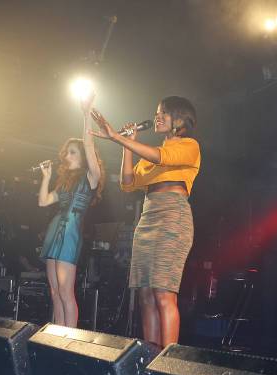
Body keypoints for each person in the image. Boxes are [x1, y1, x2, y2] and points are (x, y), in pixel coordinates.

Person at [89, 96, 200, 347]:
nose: (157, 117)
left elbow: (161, 157)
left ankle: (166, 363)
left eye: (164, 113)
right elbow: (127, 183)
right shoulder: (148, 157)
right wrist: (128, 144)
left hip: (173, 216)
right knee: (145, 295)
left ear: (180, 119)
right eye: (157, 112)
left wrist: (117, 137)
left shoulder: (189, 145)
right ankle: (148, 359)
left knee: (163, 292)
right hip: (148, 218)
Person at [38, 94, 104, 327]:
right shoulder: (65, 183)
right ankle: (57, 337)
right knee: (55, 292)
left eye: (72, 152)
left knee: (66, 292)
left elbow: (89, 143)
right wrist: (46, 177)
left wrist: (86, 115)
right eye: (66, 152)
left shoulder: (90, 177)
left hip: (70, 233)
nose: (67, 155)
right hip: (55, 230)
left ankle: (71, 341)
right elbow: (44, 201)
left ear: (84, 157)